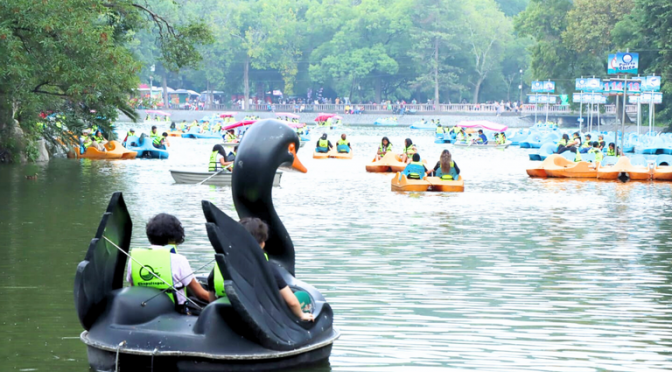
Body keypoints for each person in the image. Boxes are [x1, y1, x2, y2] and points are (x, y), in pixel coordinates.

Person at [207, 218, 314, 322]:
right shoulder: (267, 268)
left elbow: (212, 292)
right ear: (262, 244)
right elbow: (292, 302)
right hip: (257, 316)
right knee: (302, 296)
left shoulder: (220, 265)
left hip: (225, 312)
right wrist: (301, 315)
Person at [126, 213, 211, 314]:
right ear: (174, 236)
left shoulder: (135, 259)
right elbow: (200, 294)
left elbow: (133, 287)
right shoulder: (179, 260)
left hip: (146, 310)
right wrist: (221, 298)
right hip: (176, 311)